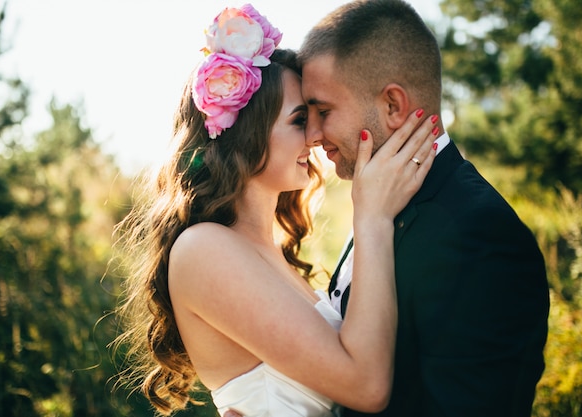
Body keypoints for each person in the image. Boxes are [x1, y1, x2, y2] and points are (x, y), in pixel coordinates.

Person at [113, 4, 439, 417]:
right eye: (301, 119)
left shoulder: (271, 255)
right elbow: (367, 387)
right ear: (249, 131)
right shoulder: (203, 249)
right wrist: (372, 218)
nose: (316, 136)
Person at [296, 0, 551, 416]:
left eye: (323, 111)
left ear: (393, 106)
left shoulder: (481, 235)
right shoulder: (379, 199)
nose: (312, 134)